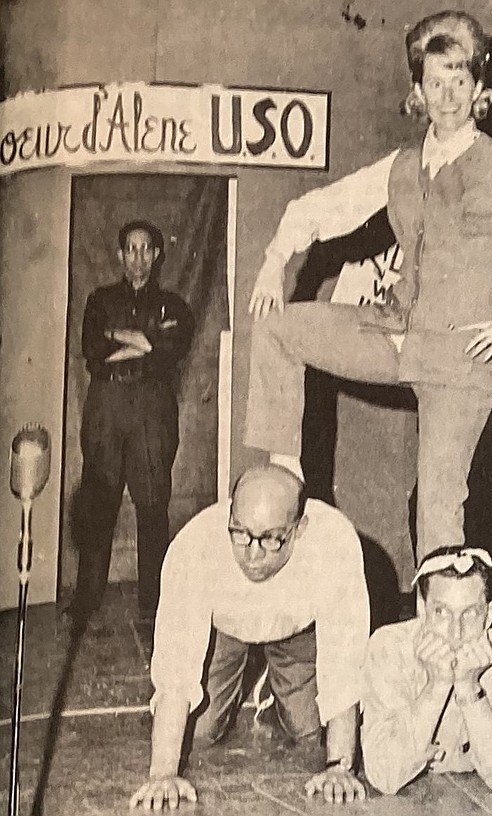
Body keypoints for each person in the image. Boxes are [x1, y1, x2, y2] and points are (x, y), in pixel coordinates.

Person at [244, 10, 492, 561]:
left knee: (437, 511)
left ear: (480, 89)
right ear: (418, 91)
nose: (448, 96)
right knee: (278, 327)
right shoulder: (401, 166)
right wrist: (273, 259)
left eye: (460, 81)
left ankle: (445, 632)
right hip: (391, 331)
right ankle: (285, 475)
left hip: (460, 358)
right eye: (436, 82)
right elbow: (321, 207)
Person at [129, 464, 370, 810]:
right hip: (225, 631)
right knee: (198, 734)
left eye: (271, 538)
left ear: (300, 528)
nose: (252, 555)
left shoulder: (334, 542)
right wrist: (162, 773)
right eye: (240, 533)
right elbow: (175, 672)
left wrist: (339, 767)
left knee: (311, 733)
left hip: (296, 631)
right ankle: (247, 669)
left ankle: (271, 687)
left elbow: (344, 661)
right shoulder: (194, 547)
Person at [71, 220, 194, 625]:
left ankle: (153, 603)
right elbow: (93, 350)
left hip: (152, 408)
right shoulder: (100, 299)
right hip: (106, 405)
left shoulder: (173, 305)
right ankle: (86, 599)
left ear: (157, 255)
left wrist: (120, 339)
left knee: (153, 502)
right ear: (120, 255)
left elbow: (169, 350)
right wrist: (143, 340)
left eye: (146, 249)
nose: (138, 257)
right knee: (99, 500)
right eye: (131, 249)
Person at [360, 546, 492, 794]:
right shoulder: (388, 648)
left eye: (470, 613)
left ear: (489, 615)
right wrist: (436, 687)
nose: (455, 633)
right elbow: (384, 775)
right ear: (421, 608)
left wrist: (470, 691)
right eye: (441, 612)